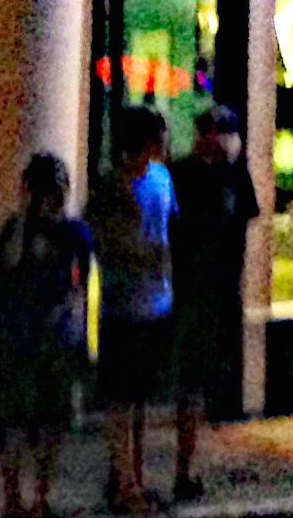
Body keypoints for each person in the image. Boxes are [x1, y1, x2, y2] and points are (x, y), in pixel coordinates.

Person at [167, 103, 262, 504]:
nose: (220, 142)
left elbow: (243, 222)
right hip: (187, 293)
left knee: (199, 380)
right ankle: (179, 468)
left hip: (217, 292)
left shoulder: (233, 176)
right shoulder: (185, 176)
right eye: (215, 135)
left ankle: (186, 466)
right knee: (186, 381)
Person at [0, 153, 91, 518]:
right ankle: (23, 499)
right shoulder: (28, 231)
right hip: (35, 340)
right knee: (30, 424)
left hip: (43, 340)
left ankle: (28, 499)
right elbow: (4, 269)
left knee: (39, 424)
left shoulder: (65, 232)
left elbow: (79, 287)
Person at [91, 106, 176, 514]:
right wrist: (144, 254)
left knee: (139, 399)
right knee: (120, 401)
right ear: (144, 141)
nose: (165, 143)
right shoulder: (111, 188)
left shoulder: (162, 179)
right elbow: (107, 246)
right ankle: (124, 483)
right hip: (123, 305)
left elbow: (169, 232)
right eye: (159, 136)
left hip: (157, 303)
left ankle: (133, 476)